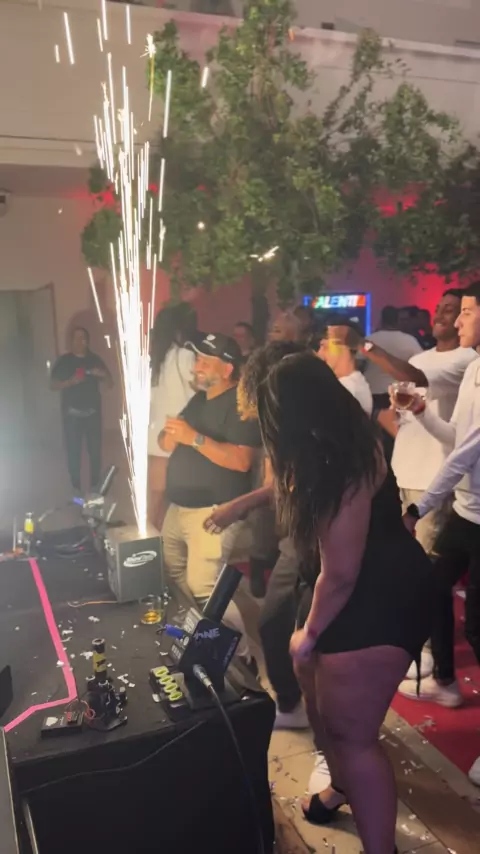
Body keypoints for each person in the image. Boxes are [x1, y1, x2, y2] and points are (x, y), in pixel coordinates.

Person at [257, 351, 433, 854]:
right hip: (362, 585)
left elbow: (341, 573)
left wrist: (309, 633)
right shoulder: (341, 440)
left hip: (377, 597)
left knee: (353, 737)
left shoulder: (337, 463)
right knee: (322, 708)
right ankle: (340, 788)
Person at [399, 283, 480, 728]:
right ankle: (445, 681)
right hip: (467, 512)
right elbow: (454, 438)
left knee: (476, 628)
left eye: (466, 311)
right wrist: (421, 412)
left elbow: (465, 454)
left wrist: (419, 508)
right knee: (433, 587)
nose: (459, 320)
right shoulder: (474, 370)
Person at [159, 333, 261, 649]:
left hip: (213, 510)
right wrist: (171, 436)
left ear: (227, 368)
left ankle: (239, 655)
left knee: (203, 587)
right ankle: (200, 642)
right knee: (174, 574)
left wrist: (194, 438)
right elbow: (167, 441)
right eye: (198, 359)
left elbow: (242, 461)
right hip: (179, 507)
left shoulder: (241, 404)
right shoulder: (199, 400)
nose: (197, 366)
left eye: (205, 360)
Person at [148, 304, 197, 530]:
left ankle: (149, 537)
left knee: (156, 496)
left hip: (155, 432)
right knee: (176, 497)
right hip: (179, 430)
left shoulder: (155, 358)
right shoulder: (184, 356)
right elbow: (199, 387)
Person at [50, 327, 112, 493]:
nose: (80, 341)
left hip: (93, 414)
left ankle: (95, 486)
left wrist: (103, 375)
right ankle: (75, 486)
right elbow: (52, 385)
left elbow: (110, 383)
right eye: (76, 338)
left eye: (83, 338)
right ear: (71, 341)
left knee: (95, 452)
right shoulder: (64, 361)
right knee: (73, 452)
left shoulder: (94, 360)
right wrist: (70, 382)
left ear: (87, 341)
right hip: (72, 415)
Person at [363, 306, 422, 410]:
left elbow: (358, 364)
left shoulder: (369, 340)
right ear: (398, 320)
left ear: (381, 320)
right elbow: (421, 365)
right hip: (401, 395)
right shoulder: (409, 340)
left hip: (373, 392)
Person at [319, 319, 373, 416]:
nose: (320, 354)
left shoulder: (348, 389)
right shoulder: (345, 385)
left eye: (324, 346)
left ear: (343, 345)